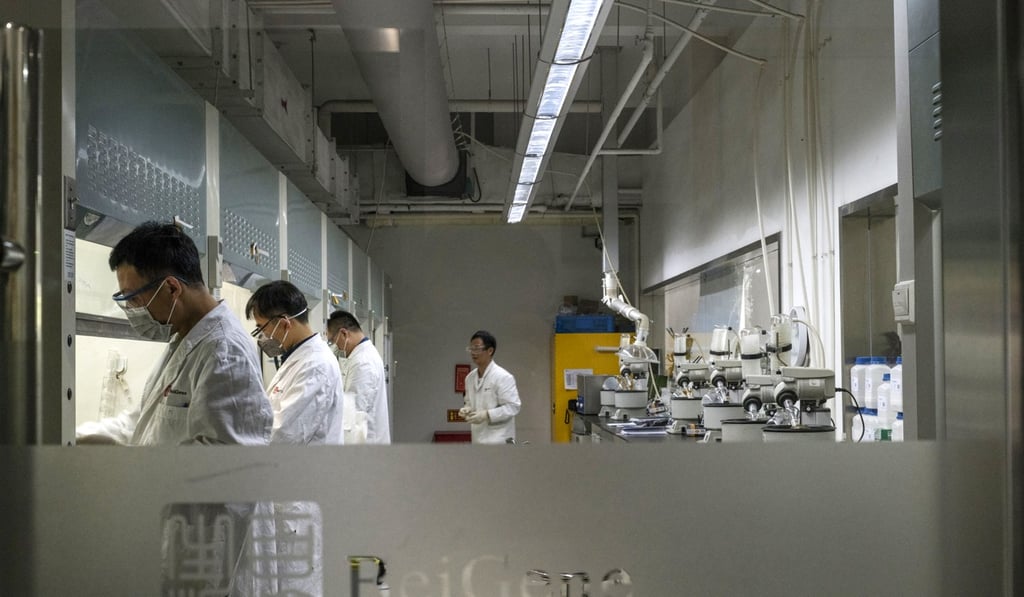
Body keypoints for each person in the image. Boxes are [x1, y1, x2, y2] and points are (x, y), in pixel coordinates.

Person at [76, 221, 272, 446]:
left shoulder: (224, 352)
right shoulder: (184, 338)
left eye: (133, 299)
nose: (132, 310)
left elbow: (224, 467)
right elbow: (142, 422)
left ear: (172, 288)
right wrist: (73, 436)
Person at [246, 280, 344, 445]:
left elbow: (282, 436)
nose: (262, 336)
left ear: (284, 323)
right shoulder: (299, 358)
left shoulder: (316, 365)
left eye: (262, 327)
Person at [326, 310, 391, 444]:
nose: (334, 346)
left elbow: (352, 418)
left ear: (344, 333)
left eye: (332, 340)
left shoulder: (363, 363)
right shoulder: (362, 355)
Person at [460, 330, 521, 444]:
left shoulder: (503, 376)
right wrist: (467, 409)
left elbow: (513, 407)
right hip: (478, 438)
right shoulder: (470, 378)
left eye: (477, 348)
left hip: (500, 439)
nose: (473, 352)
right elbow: (468, 401)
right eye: (471, 349)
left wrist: (487, 414)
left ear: (490, 350)